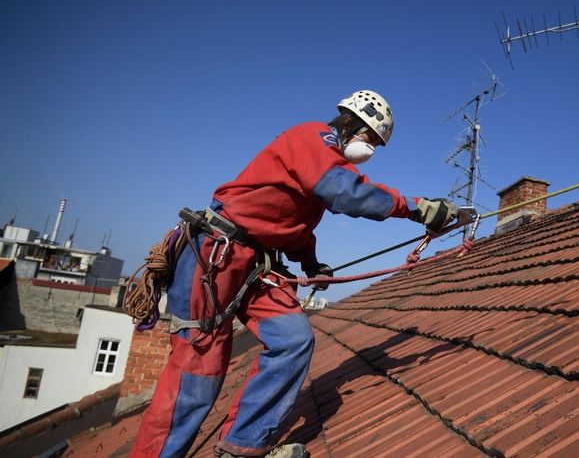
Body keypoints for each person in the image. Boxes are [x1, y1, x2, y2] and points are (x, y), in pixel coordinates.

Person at [131, 90, 458, 457]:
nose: (371, 151)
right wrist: (416, 209)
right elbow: (344, 192)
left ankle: (241, 447)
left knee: (292, 339)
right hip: (216, 254)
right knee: (199, 369)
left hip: (254, 262)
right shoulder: (314, 138)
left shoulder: (323, 160)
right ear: (352, 122)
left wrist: (311, 263)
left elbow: (293, 223)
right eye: (372, 140)